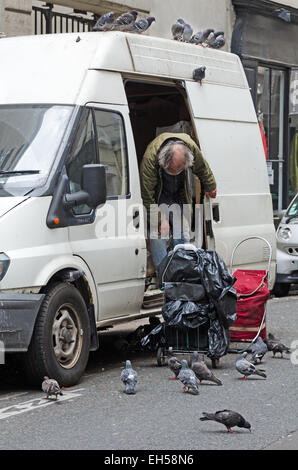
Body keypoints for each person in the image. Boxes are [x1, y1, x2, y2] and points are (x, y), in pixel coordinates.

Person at [140, 132, 217, 270]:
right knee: (158, 234)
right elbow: (147, 195)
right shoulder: (150, 160)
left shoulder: (191, 148)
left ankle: (181, 273)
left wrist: (211, 186)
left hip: (178, 196)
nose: (175, 173)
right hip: (158, 196)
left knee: (182, 233)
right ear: (163, 161)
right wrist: (159, 220)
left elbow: (202, 168)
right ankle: (164, 276)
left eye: (179, 169)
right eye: (172, 169)